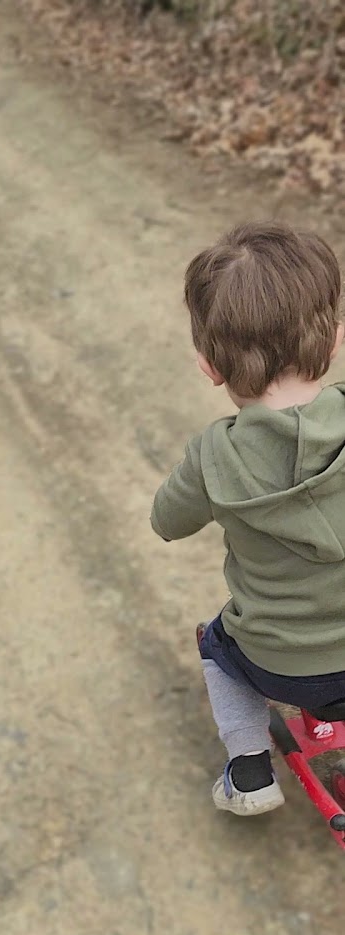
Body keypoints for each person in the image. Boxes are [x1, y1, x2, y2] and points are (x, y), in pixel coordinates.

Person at [151, 221, 345, 816]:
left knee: (216, 644)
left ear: (209, 367)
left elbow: (166, 521)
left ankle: (249, 769)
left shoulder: (213, 456)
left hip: (278, 668)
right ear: (335, 341)